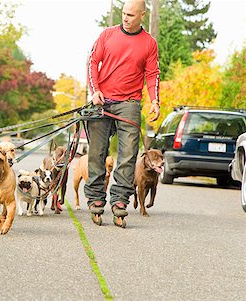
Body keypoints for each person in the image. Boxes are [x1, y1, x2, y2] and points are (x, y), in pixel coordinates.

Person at [84, 0, 160, 228]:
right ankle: (96, 198)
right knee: (97, 152)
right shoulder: (107, 35)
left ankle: (119, 201)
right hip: (102, 100)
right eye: (124, 13)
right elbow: (92, 62)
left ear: (142, 16)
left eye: (130, 15)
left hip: (129, 103)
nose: (125, 18)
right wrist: (94, 90)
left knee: (128, 155)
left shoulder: (149, 43)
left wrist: (155, 101)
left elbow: (152, 73)